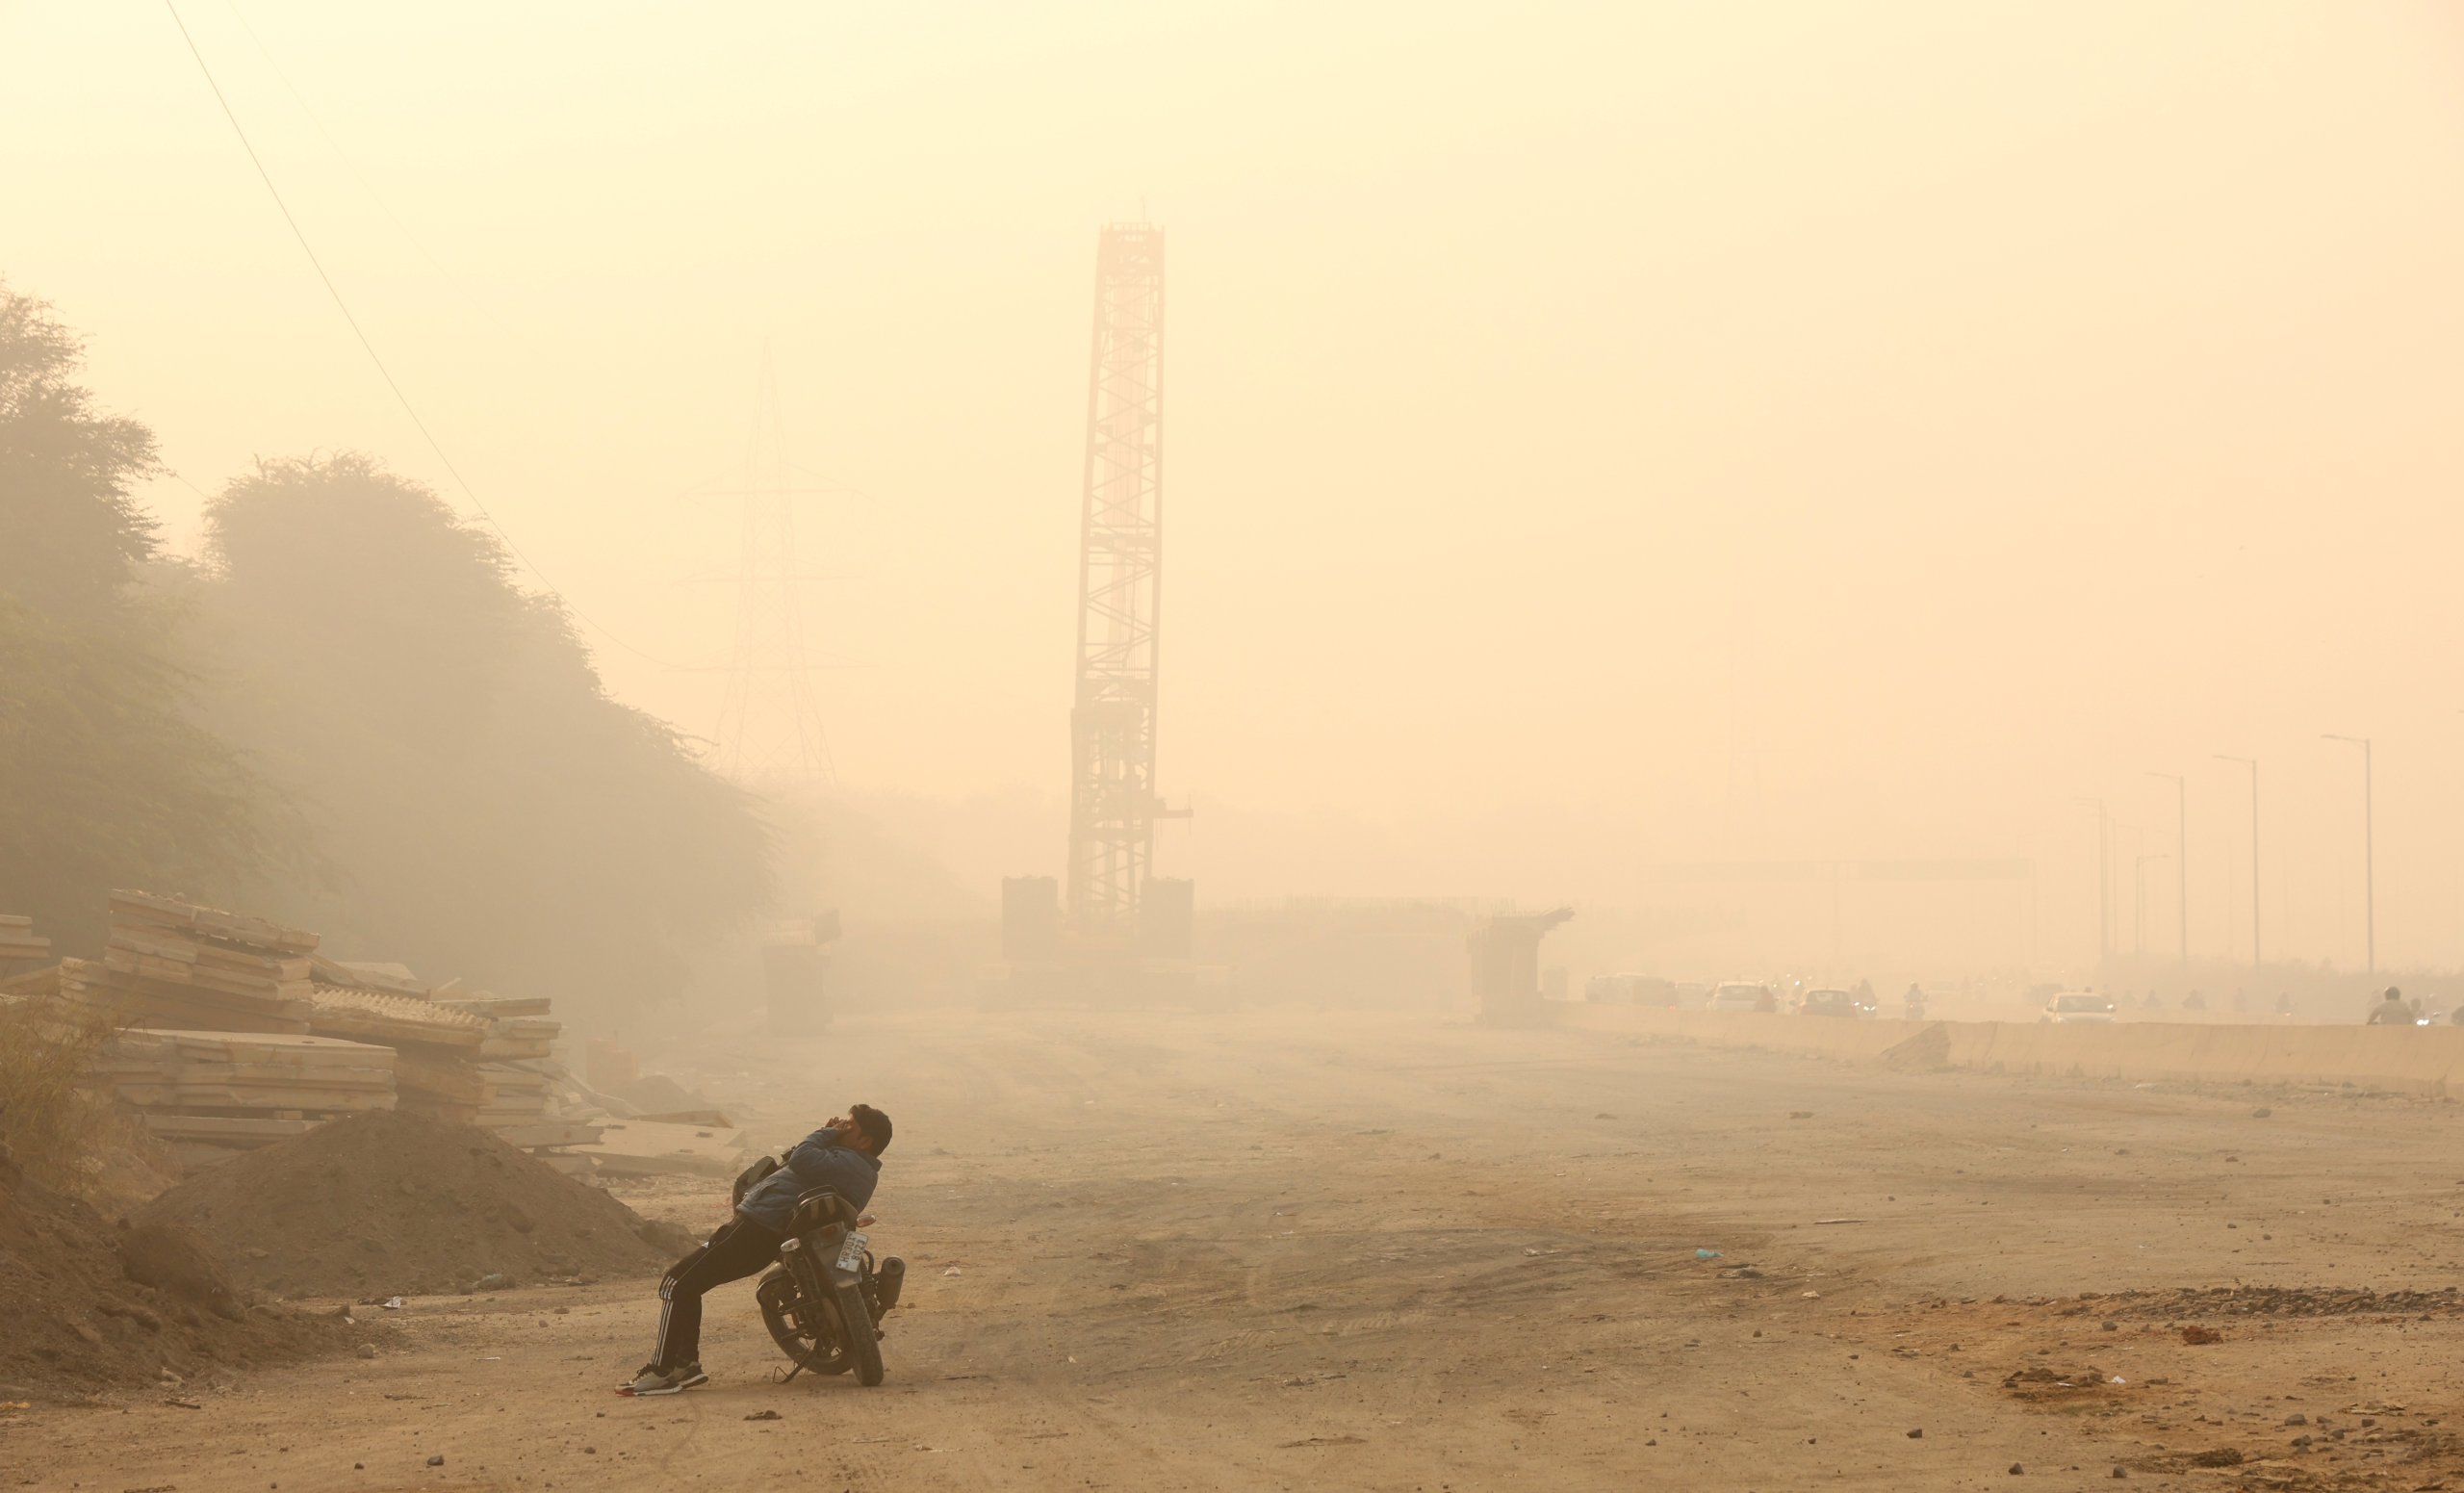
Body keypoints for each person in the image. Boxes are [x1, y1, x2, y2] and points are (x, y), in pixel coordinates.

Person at [623, 1104, 893, 1397]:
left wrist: (825, 1132)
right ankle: (685, 1365)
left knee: (676, 1283)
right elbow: (794, 1162)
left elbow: (801, 1157)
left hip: (756, 1228)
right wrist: (831, 1138)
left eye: (848, 1126)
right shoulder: (855, 1167)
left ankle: (661, 1372)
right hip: (766, 1233)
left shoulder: (845, 1161)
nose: (840, 1126)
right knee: (690, 1285)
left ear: (864, 1141)